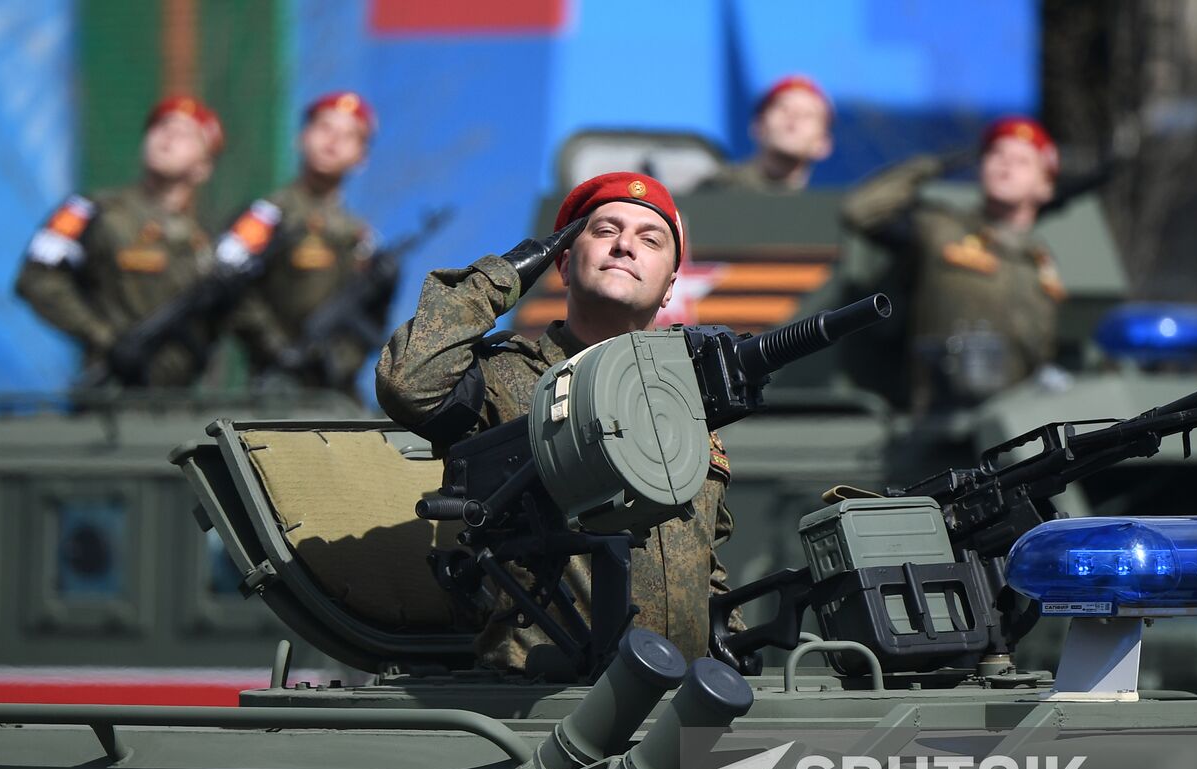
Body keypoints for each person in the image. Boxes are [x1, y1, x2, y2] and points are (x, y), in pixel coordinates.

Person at [375, 172, 739, 675]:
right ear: (563, 263)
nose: (625, 246)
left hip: (676, 700)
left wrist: (730, 637)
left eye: (651, 240)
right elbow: (408, 384)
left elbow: (704, 562)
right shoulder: (504, 377)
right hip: (540, 696)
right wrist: (505, 274)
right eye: (605, 231)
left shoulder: (683, 399)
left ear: (670, 286)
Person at [829, 116, 1066, 413]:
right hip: (938, 415)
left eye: (1022, 161)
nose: (1005, 164)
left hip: (1016, 418)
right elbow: (860, 209)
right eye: (995, 154)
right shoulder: (939, 228)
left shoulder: (1039, 261)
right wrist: (936, 165)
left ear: (1046, 186)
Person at [15, 96, 224, 386]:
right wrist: (103, 338)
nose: (168, 136)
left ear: (203, 167)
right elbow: (37, 278)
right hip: (113, 393)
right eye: (161, 126)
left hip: (182, 398)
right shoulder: (91, 211)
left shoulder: (205, 242)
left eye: (185, 134)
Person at [213, 92, 382, 395]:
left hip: (336, 390)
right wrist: (276, 347)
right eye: (325, 127)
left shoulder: (360, 236)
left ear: (362, 157)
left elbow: (368, 315)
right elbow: (232, 290)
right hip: (274, 383)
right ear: (302, 137)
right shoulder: (266, 216)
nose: (333, 141)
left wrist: (341, 362)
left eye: (349, 135)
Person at [697, 75, 834, 194]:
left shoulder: (829, 209)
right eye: (783, 108)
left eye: (807, 114)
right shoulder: (715, 189)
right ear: (757, 126)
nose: (793, 117)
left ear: (823, 143)